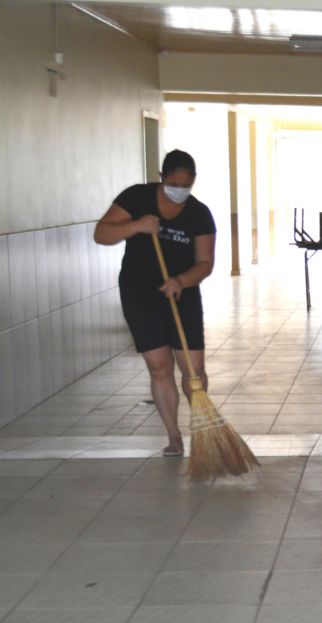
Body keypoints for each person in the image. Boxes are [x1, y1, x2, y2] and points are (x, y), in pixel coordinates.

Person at [94, 150, 216, 458]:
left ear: (193, 182)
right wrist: (135, 226)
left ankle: (202, 428)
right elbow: (102, 233)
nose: (180, 192)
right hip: (140, 296)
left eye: (186, 186)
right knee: (160, 368)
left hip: (182, 295)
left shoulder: (199, 214)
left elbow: (205, 263)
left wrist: (182, 281)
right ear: (162, 178)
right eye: (174, 184)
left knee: (194, 370)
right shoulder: (136, 198)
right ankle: (174, 436)